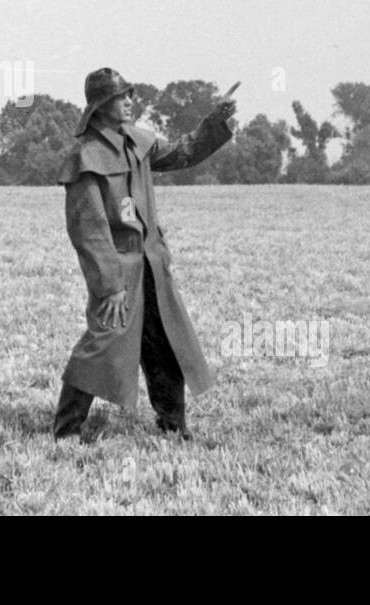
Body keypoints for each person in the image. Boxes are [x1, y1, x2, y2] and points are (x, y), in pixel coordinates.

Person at [53, 68, 235, 441]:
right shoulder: (86, 156)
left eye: (130, 95)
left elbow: (184, 151)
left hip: (153, 264)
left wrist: (216, 121)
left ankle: (173, 425)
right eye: (122, 97)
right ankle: (66, 431)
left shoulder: (139, 141)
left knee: (166, 343)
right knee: (101, 345)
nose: (130, 101)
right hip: (119, 272)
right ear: (101, 107)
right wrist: (110, 285)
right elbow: (89, 231)